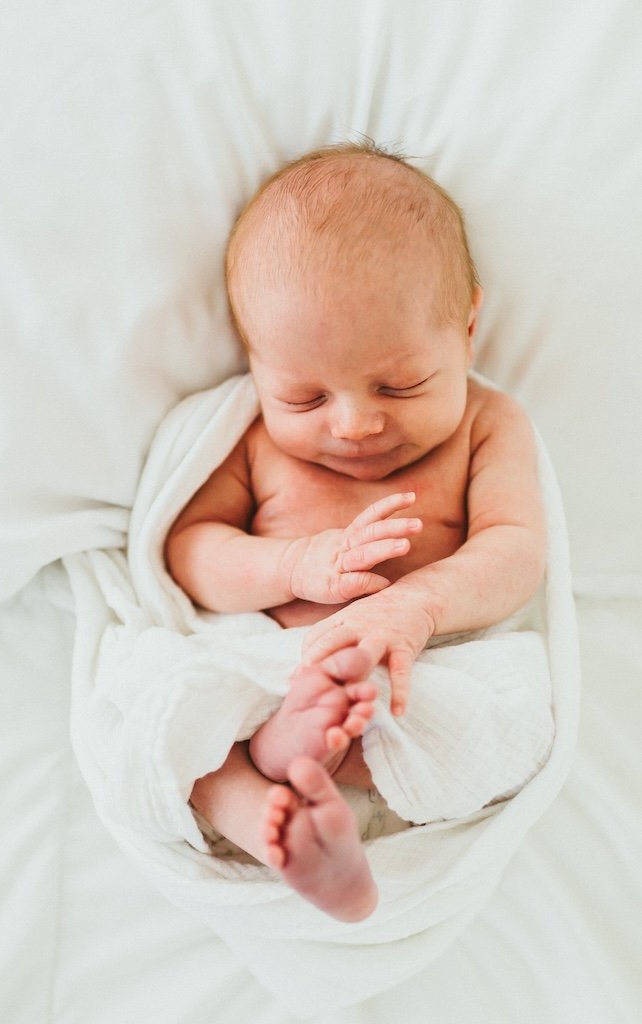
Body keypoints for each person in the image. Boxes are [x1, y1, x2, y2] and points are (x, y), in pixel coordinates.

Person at [164, 141, 546, 922]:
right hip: (262, 671)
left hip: (411, 691)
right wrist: (295, 566)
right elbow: (190, 553)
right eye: (304, 397)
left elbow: (517, 548)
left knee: (516, 717)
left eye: (399, 384)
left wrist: (420, 606)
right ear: (255, 362)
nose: (355, 424)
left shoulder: (486, 425)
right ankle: (263, 814)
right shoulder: (249, 440)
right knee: (153, 701)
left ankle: (318, 779)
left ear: (468, 324)